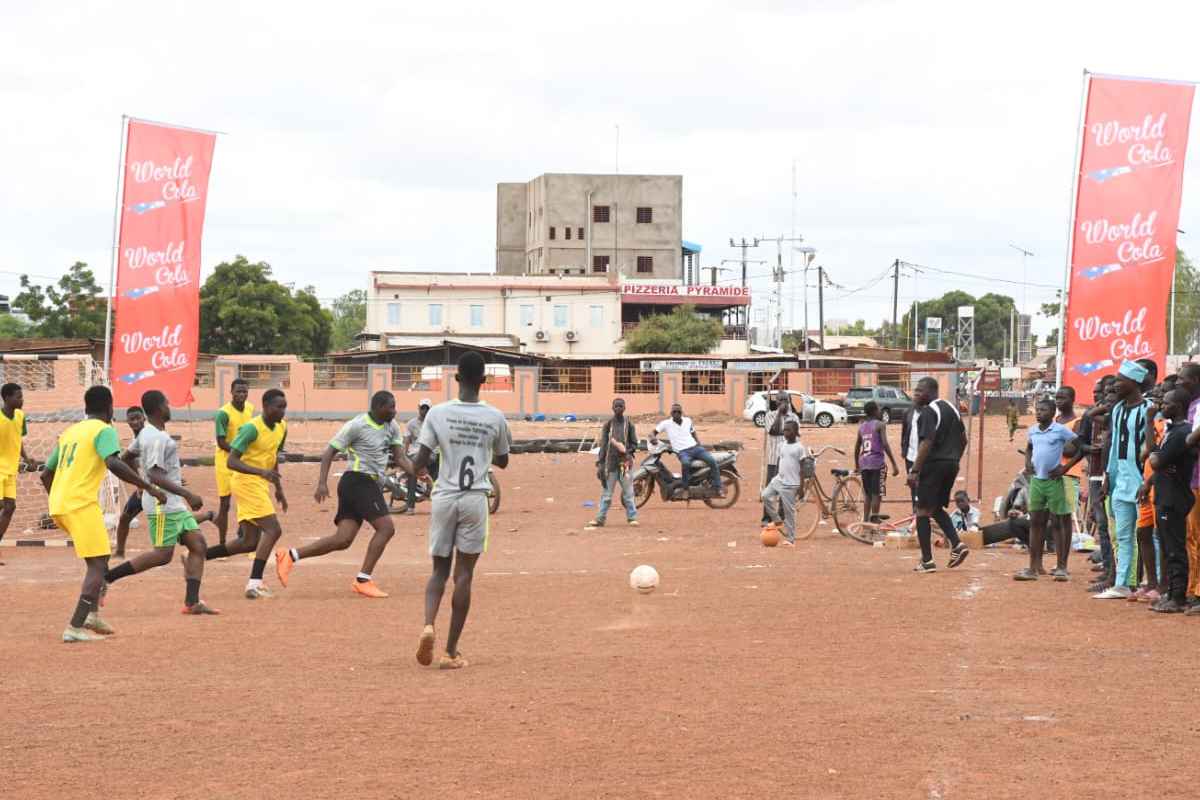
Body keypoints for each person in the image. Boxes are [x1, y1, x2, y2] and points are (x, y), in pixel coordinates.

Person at [407, 351, 510, 670]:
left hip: (444, 497)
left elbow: (420, 460)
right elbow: (503, 460)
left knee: (438, 571)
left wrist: (415, 468)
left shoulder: (437, 414)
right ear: (483, 380)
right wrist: (481, 447)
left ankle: (428, 625)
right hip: (475, 499)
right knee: (463, 575)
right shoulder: (495, 417)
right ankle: (450, 652)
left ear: (456, 378)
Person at [40, 386, 165, 642]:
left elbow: (45, 473)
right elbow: (113, 462)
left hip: (60, 505)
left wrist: (57, 499)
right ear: (109, 407)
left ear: (86, 408)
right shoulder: (104, 430)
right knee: (98, 564)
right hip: (80, 504)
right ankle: (75, 627)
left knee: (99, 558)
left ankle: (92, 614)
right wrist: (148, 486)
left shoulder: (71, 432)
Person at [275, 391, 409, 598]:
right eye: (391, 407)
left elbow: (400, 458)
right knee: (386, 528)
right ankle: (363, 580)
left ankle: (290, 556)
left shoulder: (392, 427)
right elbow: (329, 452)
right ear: (378, 407)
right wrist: (322, 483)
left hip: (364, 484)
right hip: (358, 480)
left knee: (343, 539)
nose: (395, 411)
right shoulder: (357, 425)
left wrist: (417, 471)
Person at [100, 390, 219, 615]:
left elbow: (127, 458)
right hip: (162, 504)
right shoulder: (156, 438)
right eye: (166, 403)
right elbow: (155, 475)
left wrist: (140, 482)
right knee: (163, 555)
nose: (169, 406)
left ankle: (192, 603)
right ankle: (106, 578)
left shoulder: (147, 433)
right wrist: (187, 494)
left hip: (172, 503)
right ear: (158, 408)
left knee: (198, 545)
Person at [202, 389, 288, 600]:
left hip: (260, 483)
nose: (283, 411)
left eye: (284, 407)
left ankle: (198, 555)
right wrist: (261, 472)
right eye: (279, 407)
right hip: (245, 482)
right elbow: (231, 461)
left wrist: (279, 489)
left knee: (248, 542)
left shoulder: (282, 427)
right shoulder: (251, 428)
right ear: (266, 406)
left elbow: (272, 457)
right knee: (273, 529)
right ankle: (255, 583)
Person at [1096, 360, 1153, 600]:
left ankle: (1152, 584)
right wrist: (1108, 476)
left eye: (1120, 380)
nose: (1116, 384)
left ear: (1134, 382)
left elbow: (1152, 446)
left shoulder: (1149, 409)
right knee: (1123, 535)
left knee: (1148, 535)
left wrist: (1148, 480)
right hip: (1120, 481)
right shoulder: (1118, 409)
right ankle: (1123, 584)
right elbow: (1113, 446)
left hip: (1141, 480)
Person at [1014, 398, 1087, 582]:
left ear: (1053, 412)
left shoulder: (1060, 430)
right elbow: (1030, 447)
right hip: (1037, 482)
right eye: (1037, 410)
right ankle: (1034, 567)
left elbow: (1081, 448)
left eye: (1043, 410)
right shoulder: (1033, 430)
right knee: (1036, 522)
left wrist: (1065, 468)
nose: (1039, 413)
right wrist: (1027, 463)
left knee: (1060, 521)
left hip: (1054, 481)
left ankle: (1062, 567)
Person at [906, 377, 970, 573]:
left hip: (933, 465)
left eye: (920, 390)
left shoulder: (928, 411)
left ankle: (927, 561)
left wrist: (915, 470)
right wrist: (954, 459)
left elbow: (926, 442)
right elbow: (964, 440)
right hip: (951, 465)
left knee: (921, 510)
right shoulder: (952, 408)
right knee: (934, 508)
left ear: (931, 392)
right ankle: (957, 544)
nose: (916, 394)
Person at [1146, 388, 1196, 613]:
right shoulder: (1172, 430)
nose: (1161, 406)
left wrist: (1157, 458)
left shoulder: (1181, 432)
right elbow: (1153, 455)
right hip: (1165, 494)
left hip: (1174, 496)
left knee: (1175, 549)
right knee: (1167, 547)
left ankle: (1178, 596)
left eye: (1166, 403)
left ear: (1178, 406)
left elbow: (1155, 460)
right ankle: (1172, 592)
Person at [585, 397, 639, 529]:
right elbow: (603, 445)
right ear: (612, 408)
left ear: (624, 408)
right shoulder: (608, 425)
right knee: (607, 494)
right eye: (616, 406)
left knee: (628, 492)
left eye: (621, 406)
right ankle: (600, 518)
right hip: (610, 464)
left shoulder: (629, 425)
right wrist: (600, 463)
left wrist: (626, 451)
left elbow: (634, 444)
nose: (618, 408)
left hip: (625, 463)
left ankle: (632, 518)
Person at [213, 378, 254, 546]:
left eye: (244, 391)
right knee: (225, 504)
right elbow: (221, 442)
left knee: (246, 498)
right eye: (238, 391)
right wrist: (238, 451)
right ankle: (222, 543)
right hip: (225, 463)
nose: (242, 395)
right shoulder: (223, 413)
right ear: (231, 392)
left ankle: (242, 534)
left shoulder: (250, 408)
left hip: (242, 462)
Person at [0, 382, 38, 562]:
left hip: (10, 470)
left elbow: (17, 438)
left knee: (10, 507)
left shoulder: (20, 416)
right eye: (18, 397)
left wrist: (26, 458)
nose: (22, 400)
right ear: (7, 398)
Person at [652, 403, 723, 498]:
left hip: (695, 448)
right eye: (674, 412)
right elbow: (653, 433)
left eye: (678, 412)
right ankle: (686, 489)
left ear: (682, 412)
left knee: (712, 461)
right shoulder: (666, 423)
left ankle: (718, 487)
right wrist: (653, 438)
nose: (676, 413)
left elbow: (693, 433)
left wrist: (698, 444)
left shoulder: (688, 420)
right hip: (683, 452)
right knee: (685, 464)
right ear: (671, 413)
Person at [762, 419, 807, 546]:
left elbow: (802, 468)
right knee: (765, 496)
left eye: (788, 430)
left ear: (795, 432)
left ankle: (790, 539)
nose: (785, 432)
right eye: (784, 430)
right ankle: (777, 520)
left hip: (791, 484)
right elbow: (779, 461)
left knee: (789, 513)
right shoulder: (782, 445)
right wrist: (775, 476)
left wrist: (801, 487)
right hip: (779, 480)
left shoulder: (799, 448)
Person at [854, 400, 898, 523]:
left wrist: (857, 465)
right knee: (876, 494)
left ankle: (866, 521)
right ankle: (874, 519)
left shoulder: (861, 427)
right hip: (876, 463)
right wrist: (894, 464)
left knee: (868, 495)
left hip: (864, 463)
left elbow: (857, 447)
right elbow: (885, 444)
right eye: (878, 409)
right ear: (874, 411)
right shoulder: (880, 425)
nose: (880, 411)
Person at [761, 391, 800, 523]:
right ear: (776, 402)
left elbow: (795, 436)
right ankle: (767, 517)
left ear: (789, 402)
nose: (783, 403)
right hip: (773, 459)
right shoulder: (770, 415)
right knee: (770, 490)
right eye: (780, 400)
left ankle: (781, 517)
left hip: (789, 460)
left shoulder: (794, 417)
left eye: (785, 400)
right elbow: (773, 431)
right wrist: (779, 414)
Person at [113, 406, 147, 559]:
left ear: (144, 418)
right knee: (125, 518)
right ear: (127, 422)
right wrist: (139, 483)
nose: (136, 422)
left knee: (175, 519)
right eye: (132, 419)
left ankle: (208, 516)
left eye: (138, 418)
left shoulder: (147, 436)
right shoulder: (135, 440)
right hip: (146, 487)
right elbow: (128, 458)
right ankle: (120, 552)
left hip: (156, 486)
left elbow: (125, 458)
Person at [403, 399, 435, 514]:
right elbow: (406, 440)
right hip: (414, 454)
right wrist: (404, 454)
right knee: (412, 472)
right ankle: (411, 506)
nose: (424, 410)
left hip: (430, 454)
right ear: (419, 408)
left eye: (427, 408)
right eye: (422, 408)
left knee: (414, 469)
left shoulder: (433, 424)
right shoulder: (411, 423)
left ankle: (427, 487)